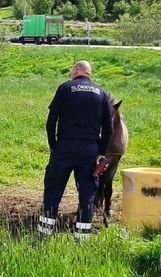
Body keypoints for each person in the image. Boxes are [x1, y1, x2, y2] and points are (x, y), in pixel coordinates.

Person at [39, 60, 113, 240]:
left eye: (72, 69)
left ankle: (45, 233)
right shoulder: (102, 93)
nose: (71, 72)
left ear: (78, 70)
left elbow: (51, 122)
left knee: (53, 189)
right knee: (87, 194)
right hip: (89, 150)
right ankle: (82, 236)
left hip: (64, 147)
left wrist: (53, 146)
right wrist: (100, 153)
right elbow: (108, 128)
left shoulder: (64, 88)